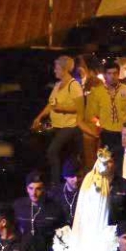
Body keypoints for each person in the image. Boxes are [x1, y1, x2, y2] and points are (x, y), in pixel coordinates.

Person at [31, 54, 82, 184]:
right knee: (53, 151)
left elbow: (80, 108)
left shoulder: (74, 85)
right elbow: (51, 104)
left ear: (65, 69)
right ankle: (59, 179)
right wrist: (39, 117)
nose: (55, 70)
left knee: (52, 151)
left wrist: (62, 108)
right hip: (57, 126)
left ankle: (55, 183)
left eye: (57, 68)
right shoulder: (58, 85)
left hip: (70, 126)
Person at [13, 171, 66, 251]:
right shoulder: (18, 206)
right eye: (31, 188)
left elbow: (63, 234)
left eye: (38, 188)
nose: (34, 193)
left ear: (44, 188)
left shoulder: (55, 208)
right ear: (26, 188)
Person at [49, 157, 82, 224]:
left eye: (79, 176)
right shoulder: (56, 194)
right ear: (65, 177)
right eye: (72, 176)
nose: (76, 180)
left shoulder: (85, 192)